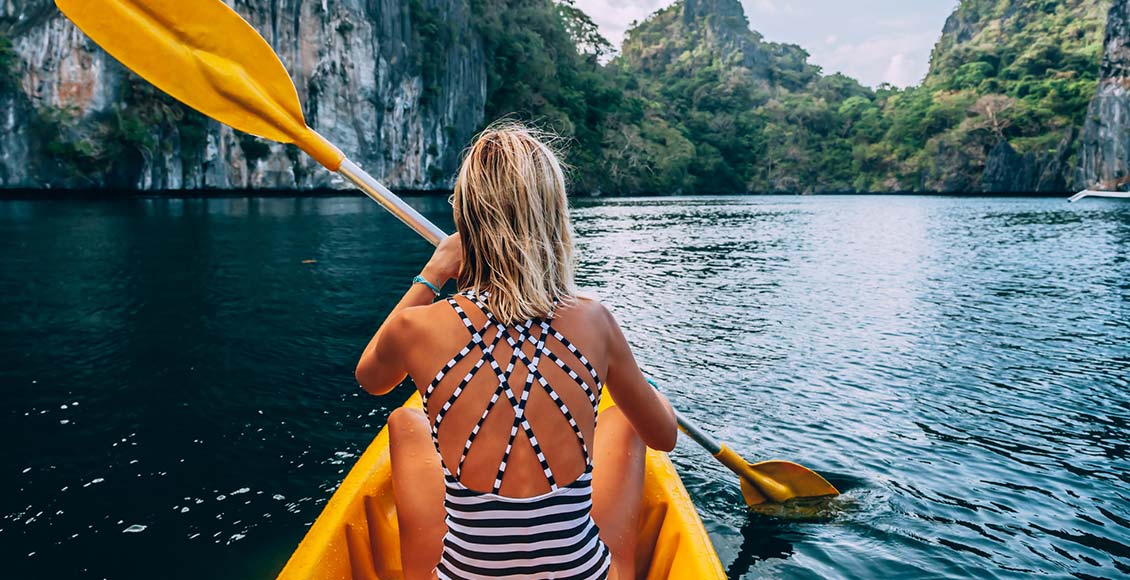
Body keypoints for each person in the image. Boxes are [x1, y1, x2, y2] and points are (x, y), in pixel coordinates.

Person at [355, 123, 678, 580]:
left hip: (468, 574)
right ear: (554, 219)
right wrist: (656, 401)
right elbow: (664, 436)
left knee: (407, 422)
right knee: (625, 416)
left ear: (465, 225)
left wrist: (434, 273)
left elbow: (371, 379)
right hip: (577, 573)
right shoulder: (594, 320)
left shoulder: (415, 328)